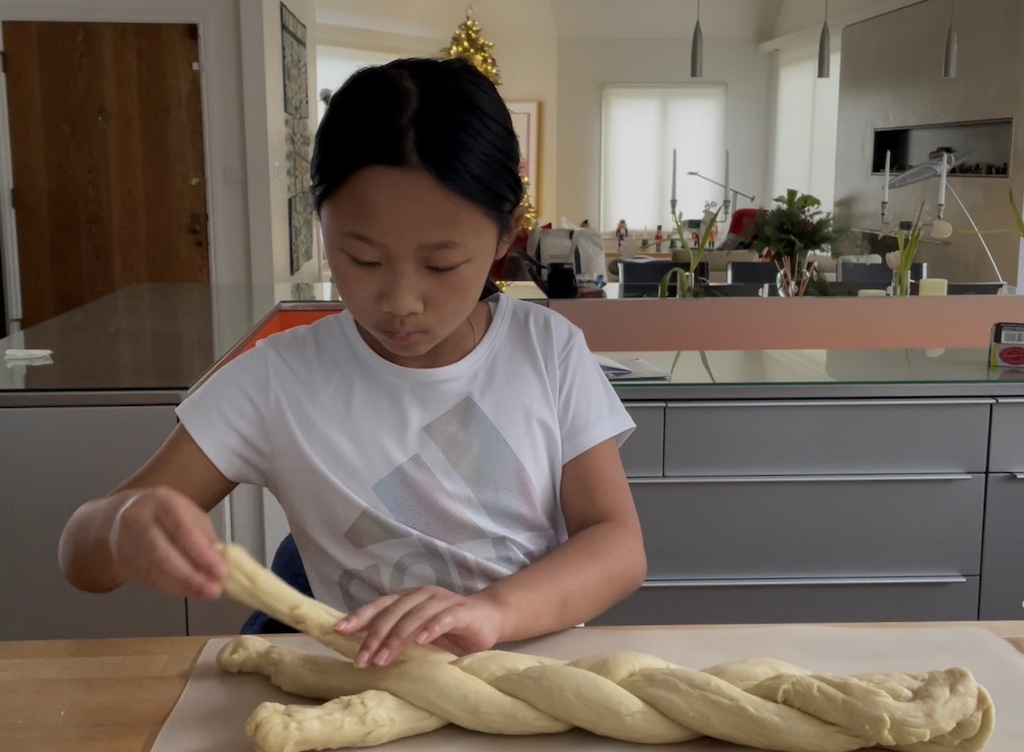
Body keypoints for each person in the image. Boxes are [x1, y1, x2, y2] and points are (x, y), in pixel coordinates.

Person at [57, 57, 646, 669]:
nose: (401, 302)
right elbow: (81, 559)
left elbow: (616, 544)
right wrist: (124, 525)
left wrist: (494, 611)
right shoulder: (278, 381)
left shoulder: (545, 351)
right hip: (368, 690)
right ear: (322, 224)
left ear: (505, 238)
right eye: (362, 260)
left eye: (441, 266)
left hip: (532, 677)